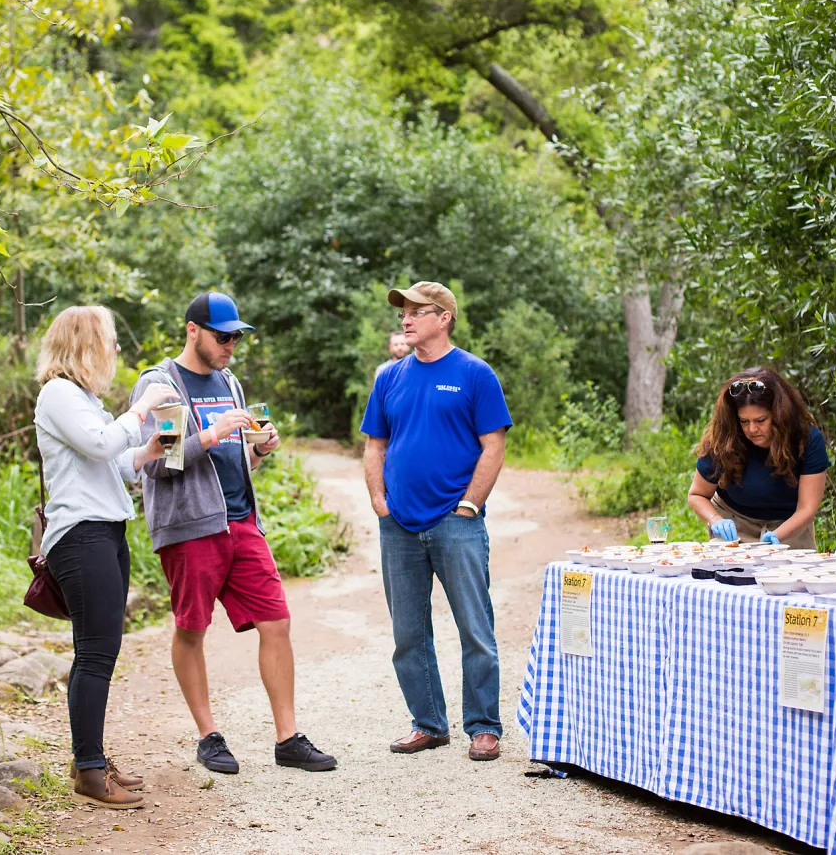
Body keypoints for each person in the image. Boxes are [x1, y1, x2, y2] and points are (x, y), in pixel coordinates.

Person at [129, 292, 337, 775]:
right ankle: (209, 736)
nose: (230, 347)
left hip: (241, 522)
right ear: (192, 331)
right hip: (189, 528)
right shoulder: (161, 384)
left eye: (236, 338)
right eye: (223, 338)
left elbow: (234, 460)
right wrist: (214, 432)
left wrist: (259, 450)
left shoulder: (229, 382)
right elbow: (159, 464)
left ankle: (287, 738)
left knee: (276, 621)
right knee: (191, 627)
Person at [360, 281, 513, 762]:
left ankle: (484, 726)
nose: (405, 319)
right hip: (399, 525)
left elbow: (494, 445)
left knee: (475, 627)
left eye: (416, 312)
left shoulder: (474, 374)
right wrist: (379, 500)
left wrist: (469, 504)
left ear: (443, 317)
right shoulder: (389, 376)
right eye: (402, 312)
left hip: (456, 522)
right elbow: (375, 445)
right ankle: (428, 724)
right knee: (408, 633)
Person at [34, 306, 178, 808]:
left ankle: (88, 757)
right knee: (95, 654)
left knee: (100, 651)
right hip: (81, 535)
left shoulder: (85, 399)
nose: (117, 350)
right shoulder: (57, 394)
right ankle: (89, 770)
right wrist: (141, 410)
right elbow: (99, 445)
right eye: (111, 340)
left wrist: (150, 449)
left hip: (108, 530)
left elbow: (118, 463)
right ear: (87, 343)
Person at [686, 367, 829, 549]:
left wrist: (776, 536)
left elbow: (806, 509)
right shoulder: (724, 438)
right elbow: (697, 494)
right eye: (744, 421)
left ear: (780, 416)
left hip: (790, 527)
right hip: (734, 527)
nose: (752, 429)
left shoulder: (807, 440)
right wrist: (716, 521)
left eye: (761, 421)